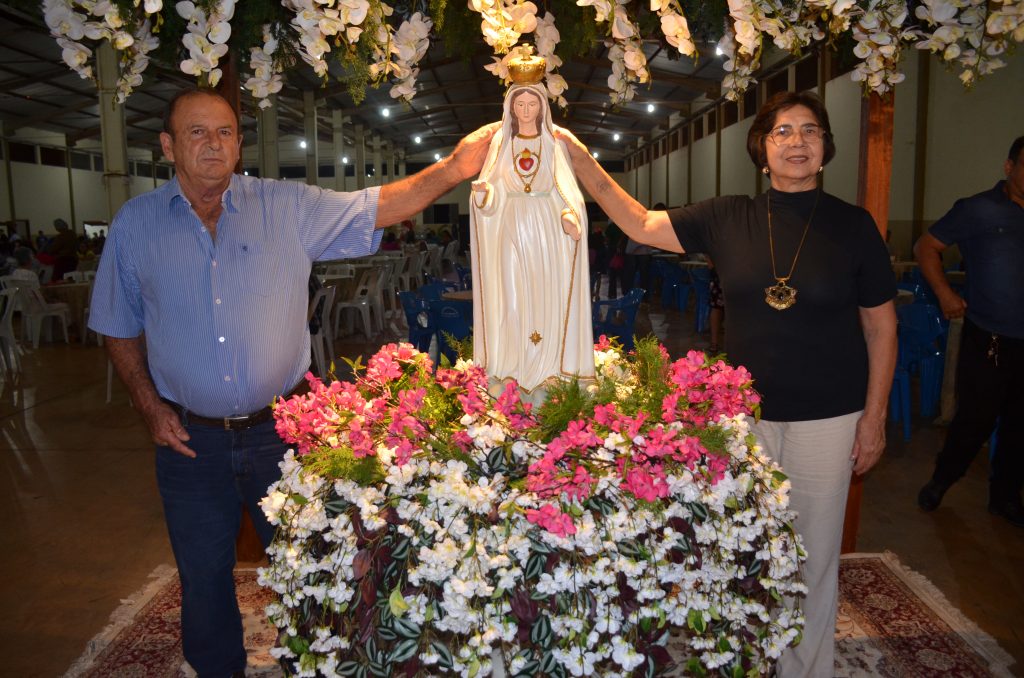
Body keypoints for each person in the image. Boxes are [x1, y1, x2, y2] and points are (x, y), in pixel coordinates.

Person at [87, 87, 496, 678]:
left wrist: (455, 168)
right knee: (202, 578)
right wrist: (150, 408)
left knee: (313, 567)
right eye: (197, 133)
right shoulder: (136, 225)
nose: (214, 144)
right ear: (168, 145)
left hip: (282, 434)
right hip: (189, 442)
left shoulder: (285, 207)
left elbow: (376, 204)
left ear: (239, 142)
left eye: (225, 132)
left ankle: (318, 665)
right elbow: (118, 327)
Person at [556, 91, 897, 678]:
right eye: (783, 132)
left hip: (828, 415)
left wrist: (874, 417)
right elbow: (637, 222)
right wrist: (582, 159)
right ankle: (748, 656)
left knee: (811, 556)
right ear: (762, 149)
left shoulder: (853, 225)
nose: (797, 142)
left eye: (810, 131)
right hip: (741, 419)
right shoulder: (727, 216)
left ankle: (803, 670)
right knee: (743, 549)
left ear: (825, 148)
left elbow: (881, 325)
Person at [915, 136, 1024, 528]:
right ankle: (942, 480)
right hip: (990, 338)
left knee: (1019, 427)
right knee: (975, 420)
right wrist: (944, 293)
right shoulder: (978, 209)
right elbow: (926, 246)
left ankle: (1006, 497)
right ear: (1009, 167)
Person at [470, 59, 593, 399]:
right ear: (511, 107)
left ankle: (547, 369)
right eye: (519, 104)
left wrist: (570, 214)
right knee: (512, 296)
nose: (525, 110)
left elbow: (565, 189)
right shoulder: (501, 144)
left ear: (541, 106)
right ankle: (511, 366)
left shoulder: (553, 144)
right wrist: (485, 196)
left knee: (544, 295)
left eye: (531, 103)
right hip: (511, 225)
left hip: (545, 228)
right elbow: (493, 189)